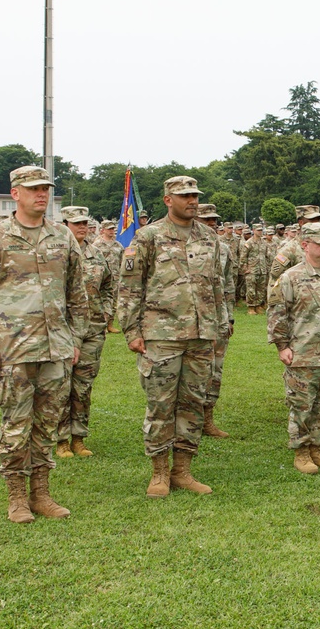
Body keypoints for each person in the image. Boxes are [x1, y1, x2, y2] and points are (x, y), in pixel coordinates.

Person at [0, 166, 88, 523]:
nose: (42, 194)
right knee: (16, 424)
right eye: (34, 188)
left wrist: (75, 338)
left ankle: (41, 493)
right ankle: (17, 497)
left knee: (47, 423)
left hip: (55, 348)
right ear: (14, 193)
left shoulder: (62, 237)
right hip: (13, 348)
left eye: (46, 188)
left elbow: (77, 293)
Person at [117, 176, 227, 498]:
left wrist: (218, 325)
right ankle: (159, 473)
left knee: (192, 404)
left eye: (194, 195)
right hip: (160, 335)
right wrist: (131, 331)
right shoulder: (148, 236)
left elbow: (216, 285)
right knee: (161, 405)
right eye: (184, 196)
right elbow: (129, 288)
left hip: (201, 335)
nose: (192, 201)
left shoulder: (209, 237)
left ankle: (183, 471)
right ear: (168, 200)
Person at [267, 223, 320, 473]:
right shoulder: (290, 277)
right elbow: (277, 314)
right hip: (302, 353)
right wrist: (282, 346)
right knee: (302, 405)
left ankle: (317, 448)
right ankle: (302, 452)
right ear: (305, 245)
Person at [56, 206, 115, 459]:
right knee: (60, 386)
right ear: (64, 224)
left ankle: (78, 437)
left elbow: (109, 285)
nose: (82, 227)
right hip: (62, 330)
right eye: (76, 223)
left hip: (92, 329)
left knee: (82, 387)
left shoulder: (96, 254)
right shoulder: (55, 253)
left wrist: (106, 311)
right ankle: (59, 439)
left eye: (85, 223)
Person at [197, 204, 235, 438]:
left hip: (218, 320)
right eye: (206, 220)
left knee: (215, 370)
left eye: (214, 220)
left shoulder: (223, 249)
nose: (212, 224)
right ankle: (185, 422)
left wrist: (229, 317)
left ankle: (207, 419)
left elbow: (228, 284)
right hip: (191, 321)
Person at [93, 219, 124, 333]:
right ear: (103, 230)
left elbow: (122, 261)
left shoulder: (118, 245)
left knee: (114, 301)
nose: (112, 231)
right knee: (101, 301)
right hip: (101, 277)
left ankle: (110, 324)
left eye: (113, 229)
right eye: (109, 229)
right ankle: (101, 324)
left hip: (115, 277)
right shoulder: (96, 245)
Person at [239, 224, 271, 314]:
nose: (260, 232)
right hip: (252, 269)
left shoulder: (264, 243)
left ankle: (258, 305)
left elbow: (267, 256)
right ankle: (251, 307)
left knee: (261, 289)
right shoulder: (249, 243)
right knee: (251, 289)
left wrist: (268, 267)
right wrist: (245, 268)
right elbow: (243, 257)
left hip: (262, 269)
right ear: (253, 230)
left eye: (261, 230)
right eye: (258, 230)